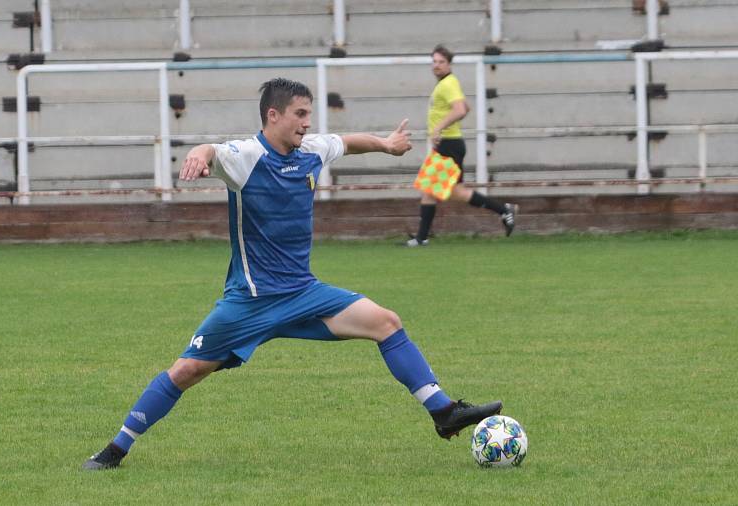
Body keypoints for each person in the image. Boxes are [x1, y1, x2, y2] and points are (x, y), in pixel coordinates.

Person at [83, 78, 503, 470]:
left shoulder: (311, 151)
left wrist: (387, 145)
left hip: (304, 294)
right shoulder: (247, 157)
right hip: (249, 301)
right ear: (273, 116)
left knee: (386, 322)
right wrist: (199, 151)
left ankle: (444, 413)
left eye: (308, 114)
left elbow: (348, 142)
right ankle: (115, 450)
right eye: (300, 114)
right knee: (185, 372)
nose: (307, 122)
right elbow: (213, 150)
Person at [406, 45, 517, 247]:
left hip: (449, 144)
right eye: (434, 61)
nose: (436, 65)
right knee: (437, 190)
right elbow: (465, 107)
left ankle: (503, 211)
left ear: (449, 64)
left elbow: (459, 109)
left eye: (441, 62)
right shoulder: (449, 83)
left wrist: (438, 128)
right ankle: (422, 238)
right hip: (450, 144)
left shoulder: (448, 84)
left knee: (445, 191)